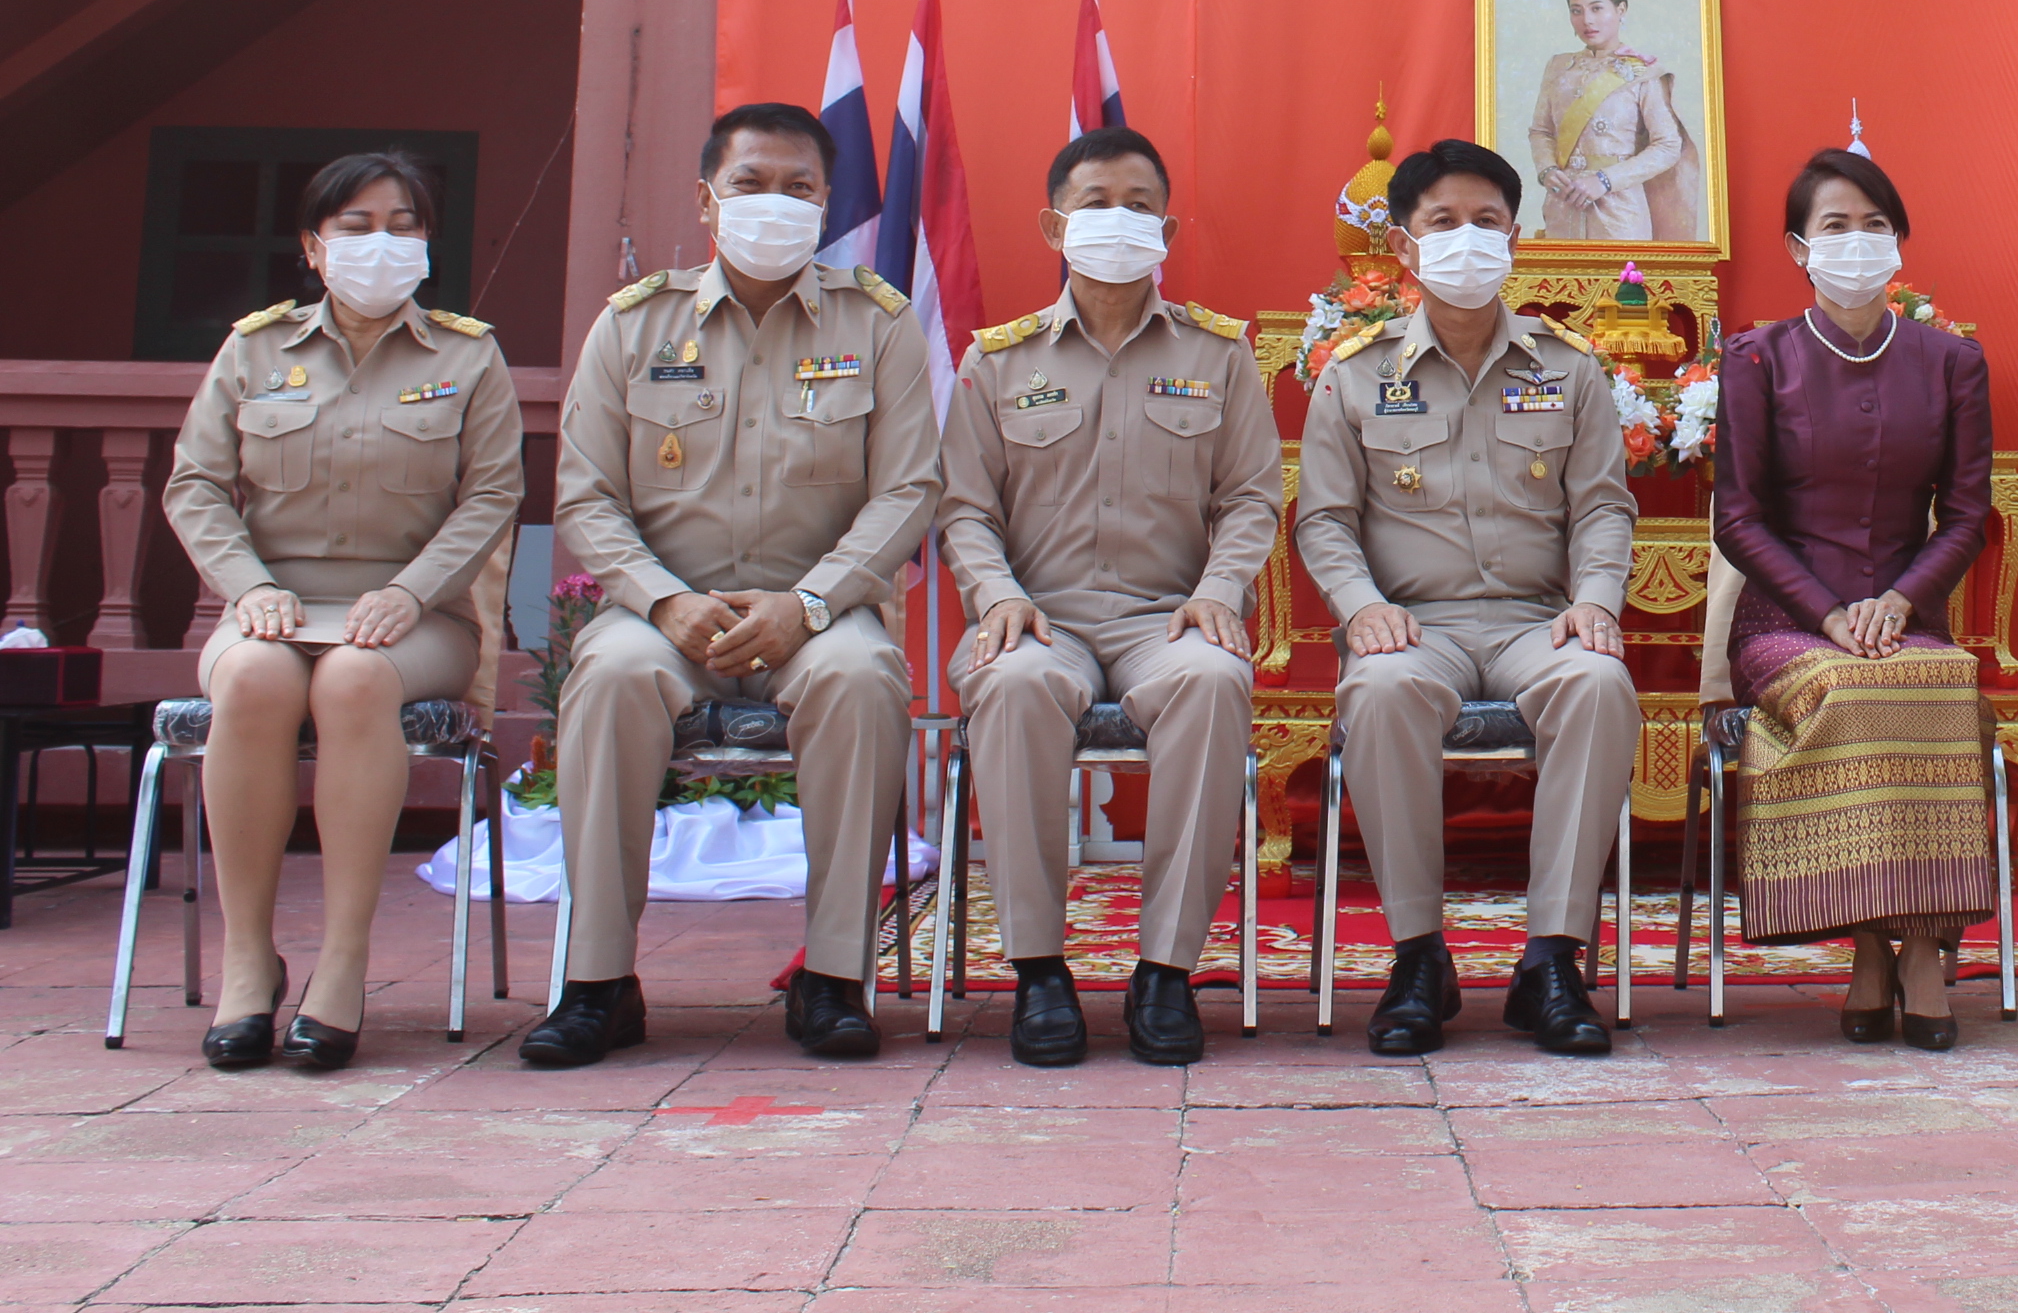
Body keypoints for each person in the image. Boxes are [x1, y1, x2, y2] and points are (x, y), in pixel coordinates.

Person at [530, 103, 942, 1067]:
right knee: (614, 677)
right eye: (751, 183)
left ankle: (835, 977)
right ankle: (597, 983)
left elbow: (908, 489)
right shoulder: (635, 326)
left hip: (818, 610)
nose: (775, 203)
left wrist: (808, 603)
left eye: (798, 188)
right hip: (667, 612)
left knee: (860, 679)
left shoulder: (876, 326)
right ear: (708, 199)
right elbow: (586, 496)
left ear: (826, 203)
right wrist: (664, 598)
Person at [163, 153, 522, 1070]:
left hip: (418, 614)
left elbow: (489, 498)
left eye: (403, 224)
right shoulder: (253, 349)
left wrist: (407, 593)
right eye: (356, 227)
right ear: (313, 249)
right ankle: (250, 959)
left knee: (359, 679)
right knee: (249, 676)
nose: (381, 243)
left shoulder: (466, 354)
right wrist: (248, 590)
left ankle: (342, 964)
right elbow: (196, 486)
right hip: (272, 605)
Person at [1293, 137, 1639, 1057]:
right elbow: (1322, 519)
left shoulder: (1569, 366)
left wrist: (1596, 601)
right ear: (1406, 248)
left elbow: (1603, 506)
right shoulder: (1356, 373)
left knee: (1600, 685)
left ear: (1515, 239)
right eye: (1442, 223)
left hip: (1537, 622)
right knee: (1380, 689)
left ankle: (1552, 959)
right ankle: (1419, 957)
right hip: (1417, 624)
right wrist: (1360, 605)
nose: (1466, 241)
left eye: (1486, 222)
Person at [942, 126, 1280, 1066]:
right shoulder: (997, 362)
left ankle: (1166, 972)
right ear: (1055, 224)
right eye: (1096, 204)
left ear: (1167, 227)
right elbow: (964, 507)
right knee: (1009, 687)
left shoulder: (1218, 353)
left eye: (1138, 206)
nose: (1117, 221)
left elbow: (1252, 497)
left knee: (1213, 683)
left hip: (1165, 616)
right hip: (1037, 614)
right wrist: (994, 593)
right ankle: (1040, 972)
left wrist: (1219, 591)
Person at [1709, 148, 1999, 1051]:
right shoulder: (1758, 358)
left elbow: (1965, 514)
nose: (1857, 243)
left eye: (1875, 225)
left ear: (1900, 242)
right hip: (1787, 624)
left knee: (1937, 682)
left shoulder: (1952, 362)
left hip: (1907, 620)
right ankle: (1885, 945)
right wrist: (1830, 614)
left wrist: (1905, 602)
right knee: (1858, 685)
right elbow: (1739, 519)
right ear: (1800, 248)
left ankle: (1904, 953)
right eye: (1835, 226)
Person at [1527, 0, 1697, 242]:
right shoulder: (1558, 67)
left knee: (1622, 286)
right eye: (1576, 10)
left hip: (1620, 211)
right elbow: (1541, 131)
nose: (1587, 21)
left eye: (1597, 8)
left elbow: (1668, 146)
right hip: (1563, 207)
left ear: (1620, 10)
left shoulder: (1643, 71)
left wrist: (1605, 181)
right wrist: (1547, 170)